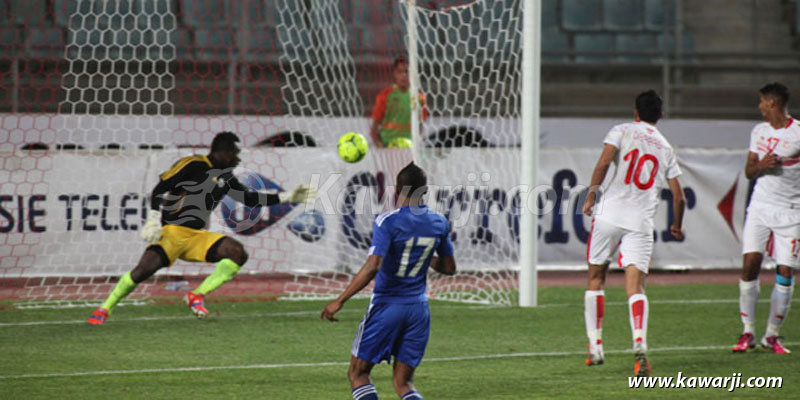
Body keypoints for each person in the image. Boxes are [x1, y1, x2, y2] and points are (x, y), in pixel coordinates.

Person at [88, 132, 316, 324]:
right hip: (171, 233)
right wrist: (153, 218)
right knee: (142, 272)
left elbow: (250, 198)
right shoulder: (193, 164)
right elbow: (161, 187)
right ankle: (104, 309)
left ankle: (196, 295)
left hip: (197, 237)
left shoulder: (225, 177)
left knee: (237, 252)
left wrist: (287, 196)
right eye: (235, 153)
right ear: (224, 152)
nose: (237, 158)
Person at [321, 162, 456, 400]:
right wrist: (425, 258)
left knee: (358, 373)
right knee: (404, 383)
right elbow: (449, 268)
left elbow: (373, 265)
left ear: (397, 190)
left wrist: (340, 300)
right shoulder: (439, 222)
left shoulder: (388, 221)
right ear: (425, 191)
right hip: (418, 310)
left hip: (387, 307)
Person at [582, 90, 685, 377]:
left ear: (635, 112)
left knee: (595, 278)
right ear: (660, 116)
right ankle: (639, 345)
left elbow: (604, 163)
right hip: (640, 222)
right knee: (635, 287)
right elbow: (679, 197)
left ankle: (595, 346)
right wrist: (676, 225)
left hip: (609, 215)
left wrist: (590, 197)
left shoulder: (622, 130)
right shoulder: (665, 147)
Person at [732, 82, 799, 355]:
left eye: (762, 101)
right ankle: (747, 332)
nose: (759, 106)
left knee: (785, 272)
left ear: (772, 103)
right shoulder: (757, 132)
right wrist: (762, 165)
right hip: (760, 206)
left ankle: (772, 335)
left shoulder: (798, 132)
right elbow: (749, 171)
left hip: (792, 210)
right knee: (750, 264)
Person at [369, 56, 429, 148]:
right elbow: (374, 128)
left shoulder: (420, 98)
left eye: (407, 72)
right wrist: (379, 146)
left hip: (409, 148)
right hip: (388, 147)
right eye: (399, 72)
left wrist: (416, 144)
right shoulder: (385, 96)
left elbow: (420, 126)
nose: (403, 75)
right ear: (394, 73)